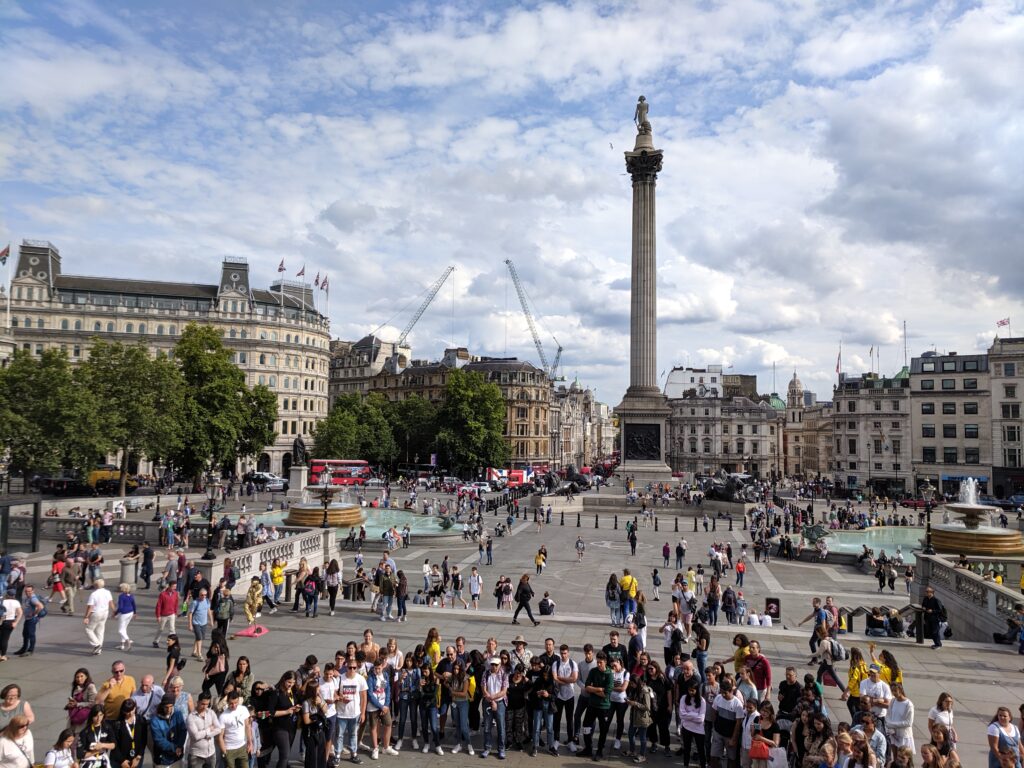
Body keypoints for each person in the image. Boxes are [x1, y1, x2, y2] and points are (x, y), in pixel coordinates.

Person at [579, 651, 614, 761]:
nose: (598, 664)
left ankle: (599, 751)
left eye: (601, 662)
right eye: (597, 662)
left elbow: (606, 694)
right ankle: (588, 748)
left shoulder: (609, 675)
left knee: (603, 730)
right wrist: (599, 689)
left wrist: (593, 689)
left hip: (604, 707)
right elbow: (586, 687)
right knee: (585, 726)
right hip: (592, 705)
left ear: (605, 662)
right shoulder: (593, 671)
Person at [335, 656, 368, 765]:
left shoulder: (360, 679)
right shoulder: (340, 678)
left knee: (353, 734)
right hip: (341, 713)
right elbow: (334, 694)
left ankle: (354, 754)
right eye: (350, 667)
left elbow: (364, 697)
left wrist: (363, 713)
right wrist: (341, 699)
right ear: (346, 667)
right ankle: (337, 755)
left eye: (354, 668)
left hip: (355, 713)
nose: (352, 670)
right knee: (339, 735)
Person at [216, 690, 252, 768]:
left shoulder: (243, 709)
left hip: (242, 747)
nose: (234, 705)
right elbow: (220, 736)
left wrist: (250, 742)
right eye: (231, 703)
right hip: (229, 749)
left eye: (236, 702)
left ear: (238, 700)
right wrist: (224, 752)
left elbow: (248, 726)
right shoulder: (223, 716)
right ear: (227, 702)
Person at [186, 692, 222, 768]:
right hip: (196, 755)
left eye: (207, 704)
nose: (205, 707)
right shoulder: (191, 717)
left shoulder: (211, 713)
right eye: (203, 704)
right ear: (197, 702)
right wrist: (209, 729)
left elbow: (218, 729)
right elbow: (196, 736)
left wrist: (208, 735)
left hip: (211, 753)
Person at [149, 695, 186, 768]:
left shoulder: (178, 713)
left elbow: (183, 731)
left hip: (177, 756)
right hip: (162, 759)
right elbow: (159, 740)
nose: (169, 709)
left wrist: (179, 745)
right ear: (162, 705)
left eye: (171, 706)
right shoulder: (155, 720)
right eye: (166, 707)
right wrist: (175, 748)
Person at [678, 679, 707, 768]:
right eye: (689, 690)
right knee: (687, 749)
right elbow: (681, 715)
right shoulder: (684, 698)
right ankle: (685, 765)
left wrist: (688, 714)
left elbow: (701, 719)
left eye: (693, 690)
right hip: (686, 728)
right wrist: (695, 715)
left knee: (701, 749)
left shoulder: (702, 701)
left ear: (697, 690)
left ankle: (703, 765)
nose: (690, 692)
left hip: (699, 730)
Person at [84, 579, 115, 656]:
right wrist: (114, 611)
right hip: (105, 612)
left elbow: (90, 606)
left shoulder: (94, 594)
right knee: (100, 631)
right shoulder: (107, 592)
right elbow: (111, 602)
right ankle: (98, 650)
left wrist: (86, 617)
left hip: (96, 613)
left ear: (95, 585)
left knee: (89, 629)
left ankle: (96, 644)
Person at [152, 582, 179, 649]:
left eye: (175, 587)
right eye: (173, 586)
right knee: (161, 629)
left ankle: (172, 643)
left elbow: (176, 603)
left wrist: (175, 613)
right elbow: (159, 605)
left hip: (172, 614)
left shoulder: (175, 593)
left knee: (172, 629)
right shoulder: (163, 594)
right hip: (163, 615)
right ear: (169, 586)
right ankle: (156, 641)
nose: (174, 588)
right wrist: (158, 616)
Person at [113, 584, 136, 653]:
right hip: (130, 612)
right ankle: (122, 645)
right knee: (124, 628)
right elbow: (134, 604)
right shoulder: (131, 595)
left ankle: (128, 641)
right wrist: (135, 613)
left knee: (120, 630)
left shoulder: (121, 596)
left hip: (124, 614)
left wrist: (115, 613)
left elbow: (120, 607)